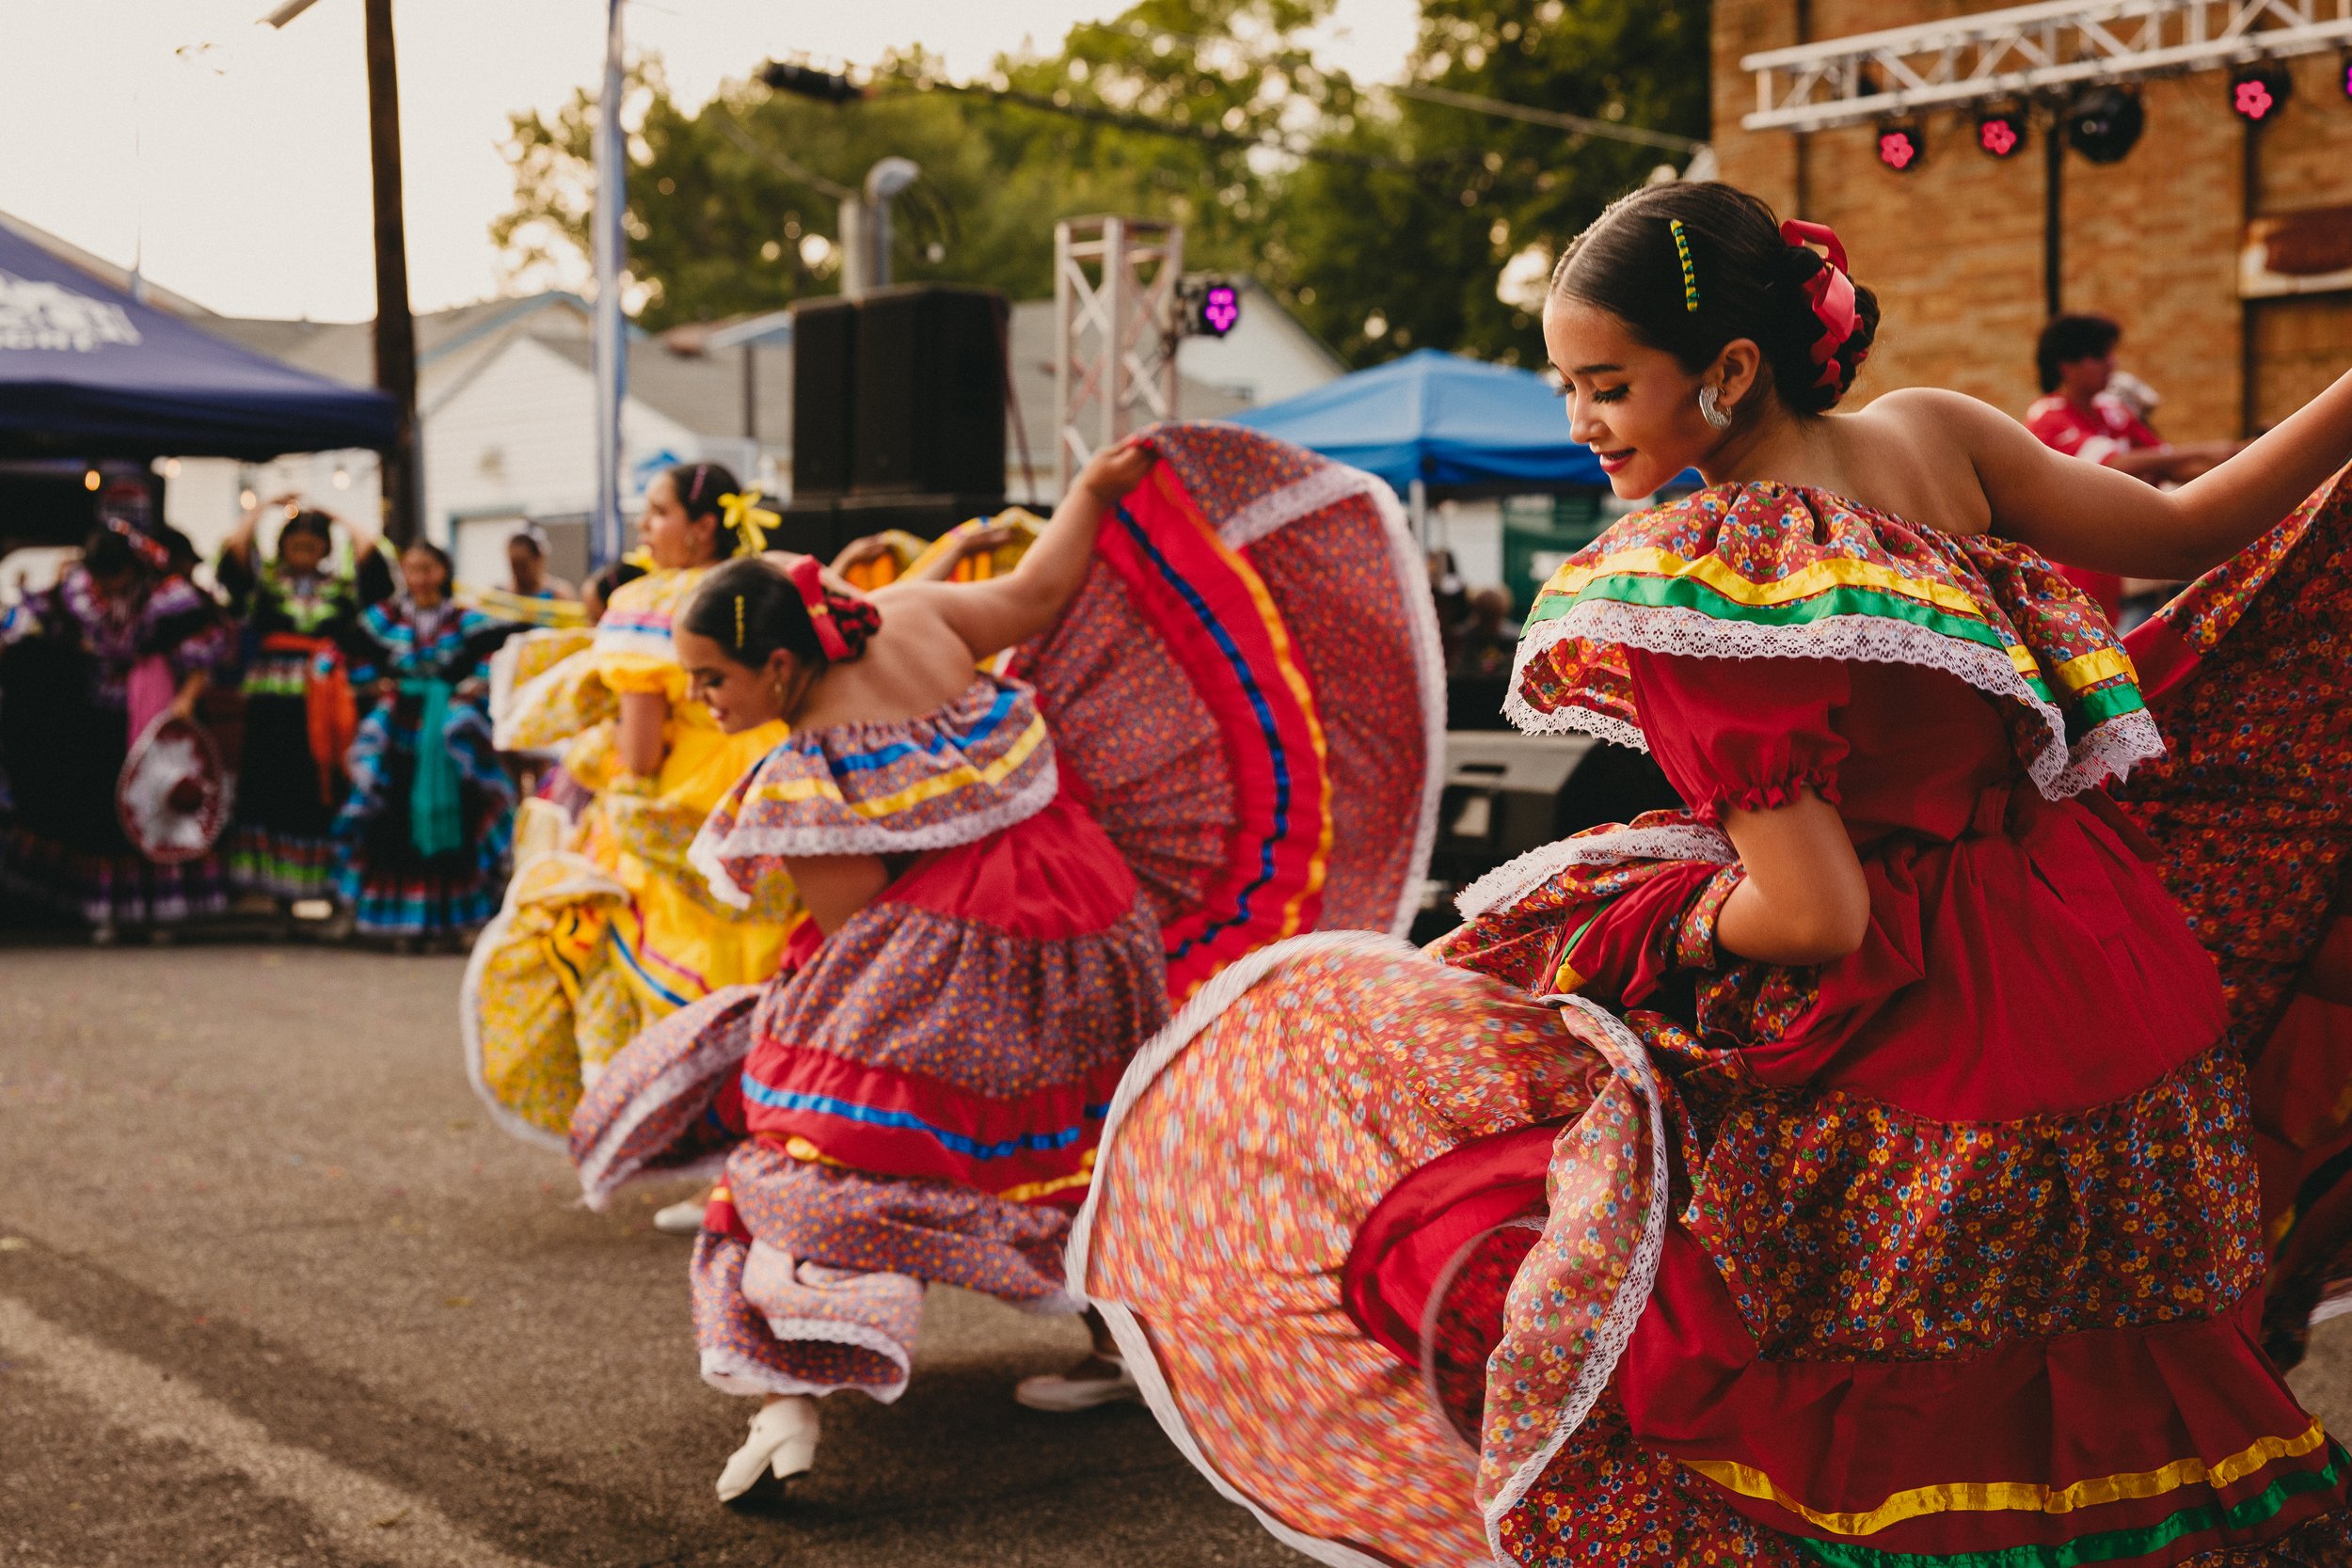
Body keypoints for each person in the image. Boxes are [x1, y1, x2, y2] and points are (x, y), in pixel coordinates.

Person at [1070, 182, 2352, 1567]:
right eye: (1567, 386)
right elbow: (2194, 526)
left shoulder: (1717, 584)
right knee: (2109, 1421)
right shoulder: (1941, 431)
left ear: (1731, 370)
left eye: (1607, 384)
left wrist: (1649, 921)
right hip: (2104, 991)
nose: (1581, 423)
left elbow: (1813, 912)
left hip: (1927, 1061)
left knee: (1819, 1431)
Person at [568, 420, 1448, 1505]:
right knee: (1087, 1131)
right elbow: (1037, 595)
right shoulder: (915, 613)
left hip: (963, 956)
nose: (705, 701)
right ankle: (1121, 1347)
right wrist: (1089, 485)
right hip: (1095, 915)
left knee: (814, 1146)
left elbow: (858, 934)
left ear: (781, 661)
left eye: (712, 680)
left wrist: (790, 1025)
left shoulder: (803, 776)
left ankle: (796, 1381)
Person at [465, 464, 803, 1148]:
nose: (646, 528)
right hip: (770, 783)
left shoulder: (652, 603)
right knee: (767, 965)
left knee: (659, 971)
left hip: (677, 801)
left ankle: (696, 1142)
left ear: (701, 526)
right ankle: (768, 1137)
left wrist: (592, 752)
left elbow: (641, 750)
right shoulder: (765, 585)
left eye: (656, 512)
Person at [0, 522, 235, 938]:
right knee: (101, 810)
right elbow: (33, 628)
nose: (107, 584)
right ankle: (104, 910)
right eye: (99, 575)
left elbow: (204, 651)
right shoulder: (75, 595)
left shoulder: (169, 598)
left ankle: (161, 913)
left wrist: (184, 701)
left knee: (158, 806)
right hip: (98, 720)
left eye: (115, 574)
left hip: (158, 716)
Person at [334, 540, 519, 946]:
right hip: (399, 730)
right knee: (393, 815)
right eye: (411, 569)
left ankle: (454, 922)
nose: (419, 579)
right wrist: (374, 684)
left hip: (447, 734)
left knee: (459, 812)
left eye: (427, 569)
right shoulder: (386, 617)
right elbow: (347, 651)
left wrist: (471, 687)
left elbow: (503, 649)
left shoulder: (462, 619)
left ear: (443, 571)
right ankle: (397, 923)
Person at [215, 501, 387, 912]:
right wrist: (265, 509)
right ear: (283, 548)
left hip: (323, 697)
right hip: (273, 700)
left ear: (325, 549)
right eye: (296, 545)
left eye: (313, 545)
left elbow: (375, 569)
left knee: (321, 784)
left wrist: (339, 515)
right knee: (271, 782)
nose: (304, 553)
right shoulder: (266, 584)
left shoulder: (341, 587)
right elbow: (234, 558)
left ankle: (326, 887)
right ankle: (276, 894)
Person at [2026, 313, 2241, 622]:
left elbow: (2169, 466)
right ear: (2066, 366)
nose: (2112, 364)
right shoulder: (2047, 416)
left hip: (2117, 570)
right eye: (2100, 356)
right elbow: (2117, 465)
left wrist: (2242, 459)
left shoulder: (2112, 411)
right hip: (2068, 574)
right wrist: (2210, 449)